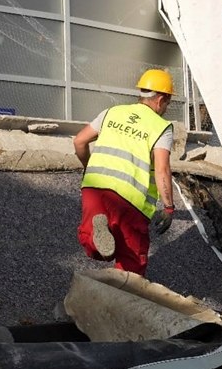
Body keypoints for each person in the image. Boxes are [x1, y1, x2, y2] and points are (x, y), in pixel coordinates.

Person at [73, 69, 177, 276]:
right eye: (168, 103)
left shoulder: (111, 112)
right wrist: (169, 207)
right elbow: (162, 170)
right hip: (129, 199)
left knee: (94, 244)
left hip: (94, 188)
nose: (166, 108)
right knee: (132, 262)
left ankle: (97, 235)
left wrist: (89, 168)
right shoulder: (161, 126)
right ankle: (123, 302)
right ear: (161, 98)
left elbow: (79, 141)